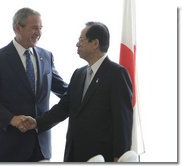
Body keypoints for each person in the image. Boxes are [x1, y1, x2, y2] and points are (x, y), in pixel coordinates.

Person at [21, 22, 133, 162]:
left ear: (95, 43)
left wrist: (120, 156)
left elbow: (123, 120)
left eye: (81, 40)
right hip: (74, 153)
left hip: (102, 156)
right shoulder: (78, 74)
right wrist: (37, 122)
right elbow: (64, 107)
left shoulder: (117, 74)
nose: (77, 44)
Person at [0, 7, 68, 162]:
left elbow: (64, 90)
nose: (38, 33)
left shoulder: (47, 56)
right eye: (34, 28)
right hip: (10, 147)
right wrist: (12, 119)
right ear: (17, 27)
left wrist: (87, 91)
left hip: (41, 148)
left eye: (40, 28)